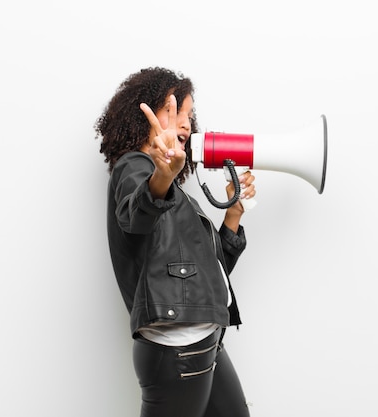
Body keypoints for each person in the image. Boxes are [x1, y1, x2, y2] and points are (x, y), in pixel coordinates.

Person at [94, 67, 255, 417]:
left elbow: (207, 276)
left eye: (189, 115)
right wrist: (162, 176)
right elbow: (136, 215)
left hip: (204, 342)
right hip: (179, 349)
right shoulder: (132, 168)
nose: (186, 123)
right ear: (146, 114)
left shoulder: (175, 195)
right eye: (176, 111)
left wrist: (232, 217)